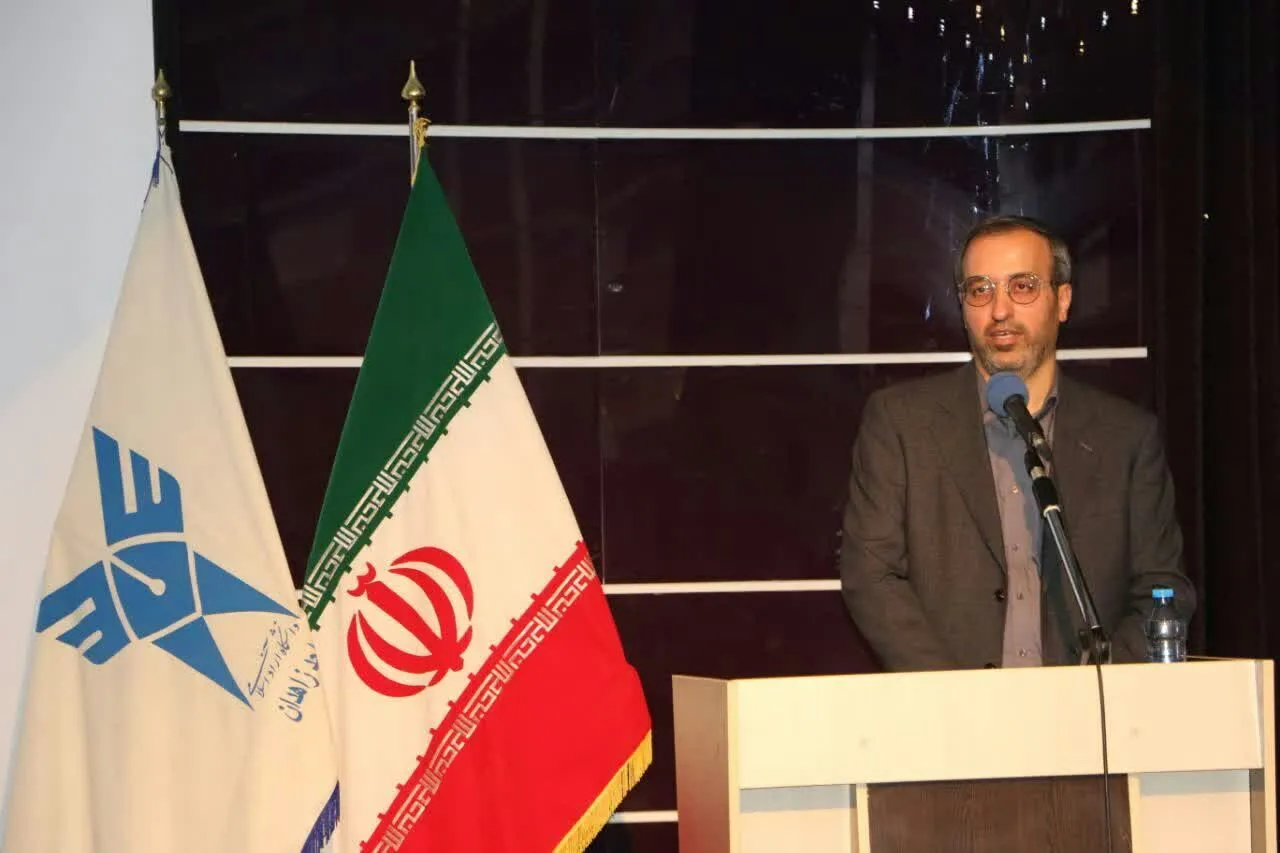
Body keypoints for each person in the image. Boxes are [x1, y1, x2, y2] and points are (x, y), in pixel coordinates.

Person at [838, 214, 1195, 671]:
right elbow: (872, 575)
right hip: (947, 706)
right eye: (980, 290)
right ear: (963, 306)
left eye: (1022, 286)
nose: (1000, 311)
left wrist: (1093, 693)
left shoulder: (1126, 437)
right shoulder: (900, 423)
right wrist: (955, 695)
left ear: (1062, 300)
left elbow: (1160, 590)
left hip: (1086, 709)